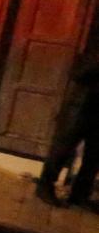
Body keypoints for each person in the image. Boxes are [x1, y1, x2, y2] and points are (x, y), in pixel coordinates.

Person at [36, 52, 99, 208]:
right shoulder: (94, 45)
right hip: (81, 106)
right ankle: (45, 186)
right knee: (63, 147)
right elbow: (79, 73)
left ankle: (80, 194)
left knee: (94, 155)